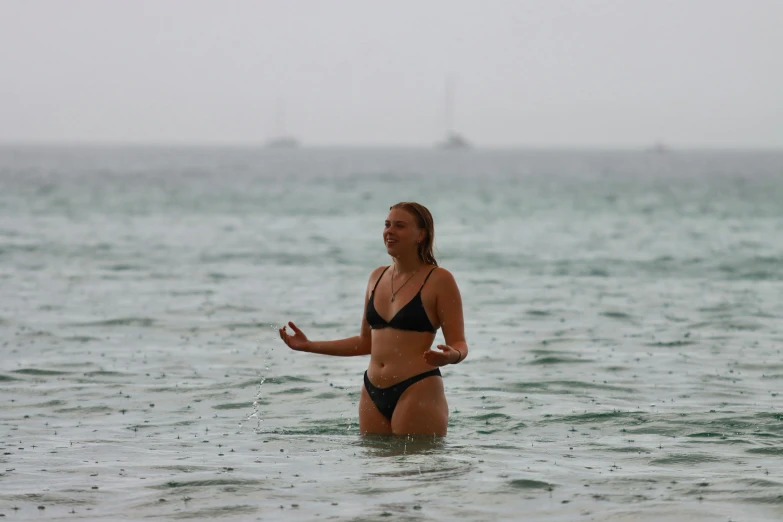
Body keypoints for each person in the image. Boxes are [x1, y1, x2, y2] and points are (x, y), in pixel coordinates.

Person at [279, 202, 468, 436]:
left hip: (417, 386)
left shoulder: (439, 280)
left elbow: (459, 343)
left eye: (399, 226)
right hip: (372, 390)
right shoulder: (376, 277)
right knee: (373, 470)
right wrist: (308, 346)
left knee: (416, 468)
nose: (390, 231)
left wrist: (451, 356)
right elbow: (365, 342)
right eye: (387, 224)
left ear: (421, 235)